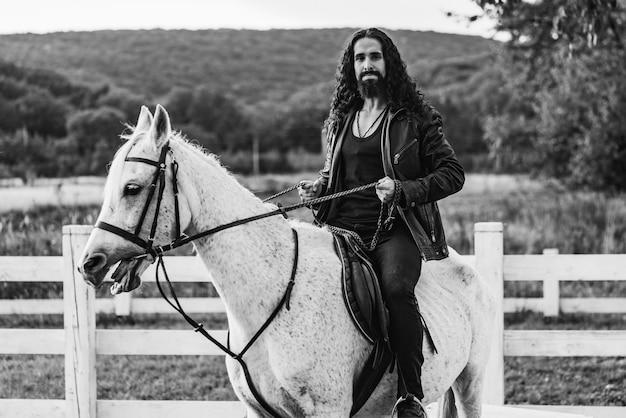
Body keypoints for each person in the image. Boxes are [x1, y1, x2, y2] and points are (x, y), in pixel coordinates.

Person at [299, 28, 464, 418]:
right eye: (359, 58)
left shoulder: (417, 119)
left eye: (374, 57)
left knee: (393, 289)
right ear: (351, 67)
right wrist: (317, 190)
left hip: (396, 231)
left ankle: (410, 396)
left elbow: (452, 174)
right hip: (341, 233)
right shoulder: (340, 121)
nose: (367, 65)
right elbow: (334, 178)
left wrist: (404, 190)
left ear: (388, 63)